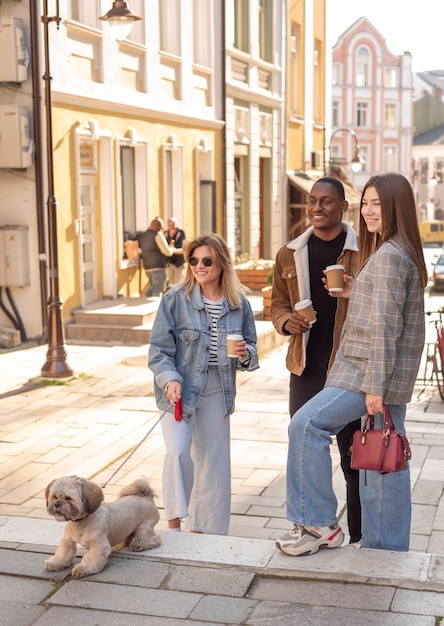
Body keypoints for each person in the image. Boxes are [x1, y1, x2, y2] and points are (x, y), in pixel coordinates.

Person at [276, 172, 427, 556]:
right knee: (381, 460)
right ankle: (384, 548)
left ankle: (316, 524)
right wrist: (352, 289)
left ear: (396, 207)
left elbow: (386, 326)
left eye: (377, 204)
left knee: (306, 425)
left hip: (366, 374)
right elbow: (384, 307)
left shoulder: (390, 255)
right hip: (377, 375)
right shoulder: (395, 249)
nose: (369, 211)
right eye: (367, 203)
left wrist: (375, 385)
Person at [270, 177, 362, 544]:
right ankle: (312, 523)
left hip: (349, 367)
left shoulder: (362, 250)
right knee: (304, 445)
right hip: (305, 367)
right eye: (312, 201)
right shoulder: (289, 253)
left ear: (343, 207)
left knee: (355, 459)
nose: (317, 208)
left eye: (326, 201)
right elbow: (276, 302)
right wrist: (284, 321)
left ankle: (361, 536)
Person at [148, 233, 259, 534]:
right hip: (179, 389)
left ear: (222, 263)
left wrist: (246, 353)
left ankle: (206, 532)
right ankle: (173, 528)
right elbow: (159, 352)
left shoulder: (239, 305)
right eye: (193, 260)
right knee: (178, 452)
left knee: (214, 464)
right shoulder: (174, 299)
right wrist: (170, 380)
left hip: (217, 388)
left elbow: (251, 350)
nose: (199, 266)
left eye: (207, 260)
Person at [139, 217, 174, 297]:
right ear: (159, 227)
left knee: (151, 289)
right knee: (157, 292)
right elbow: (167, 252)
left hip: (147, 267)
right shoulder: (158, 235)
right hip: (158, 267)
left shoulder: (144, 235)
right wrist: (171, 247)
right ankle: (155, 308)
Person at [165, 218, 186, 286]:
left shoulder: (181, 232)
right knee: (171, 282)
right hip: (169, 261)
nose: (171, 227)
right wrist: (170, 237)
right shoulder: (166, 233)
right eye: (169, 225)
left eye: (173, 225)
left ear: (176, 225)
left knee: (178, 282)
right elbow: (165, 245)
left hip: (178, 261)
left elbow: (180, 245)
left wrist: (173, 237)